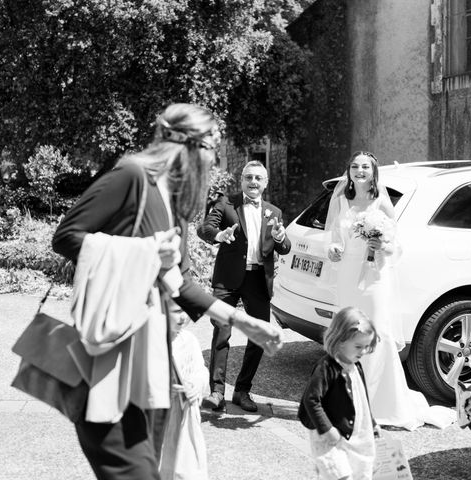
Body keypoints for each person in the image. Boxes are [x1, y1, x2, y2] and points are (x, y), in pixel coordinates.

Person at [52, 103, 283, 480]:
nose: (216, 163)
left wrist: (243, 321)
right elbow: (66, 237)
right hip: (114, 360)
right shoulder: (132, 175)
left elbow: (181, 282)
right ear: (186, 144)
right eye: (213, 149)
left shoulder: (174, 200)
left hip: (154, 366)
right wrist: (141, 252)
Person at [325, 151, 455, 431]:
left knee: (376, 333)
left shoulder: (381, 202)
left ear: (373, 172)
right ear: (349, 171)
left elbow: (396, 246)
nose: (359, 171)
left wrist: (380, 246)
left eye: (365, 167)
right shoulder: (339, 200)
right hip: (348, 276)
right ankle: (348, 401)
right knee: (347, 333)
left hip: (374, 278)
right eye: (354, 166)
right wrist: (334, 250)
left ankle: (381, 405)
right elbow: (335, 238)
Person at [197, 160, 292, 413]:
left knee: (259, 335)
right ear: (241, 180)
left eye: (258, 178)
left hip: (258, 279)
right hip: (227, 279)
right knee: (221, 331)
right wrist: (219, 235)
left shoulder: (274, 212)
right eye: (248, 177)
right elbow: (205, 228)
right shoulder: (226, 203)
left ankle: (242, 391)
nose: (253, 182)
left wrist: (281, 238)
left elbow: (284, 246)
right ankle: (217, 392)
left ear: (265, 183)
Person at [298, 306, 381, 480]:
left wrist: (371, 422)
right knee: (339, 474)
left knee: (358, 471)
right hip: (329, 437)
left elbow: (362, 398)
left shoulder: (356, 365)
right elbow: (311, 399)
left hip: (354, 433)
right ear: (341, 339)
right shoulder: (326, 367)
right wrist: (327, 429)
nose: (363, 351)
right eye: (358, 346)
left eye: (366, 346)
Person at [159, 310, 209, 480]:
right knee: (163, 462)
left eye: (185, 311)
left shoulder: (189, 340)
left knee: (187, 464)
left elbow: (200, 370)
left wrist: (197, 384)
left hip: (186, 415)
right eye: (176, 311)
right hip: (161, 417)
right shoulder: (152, 343)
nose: (183, 316)